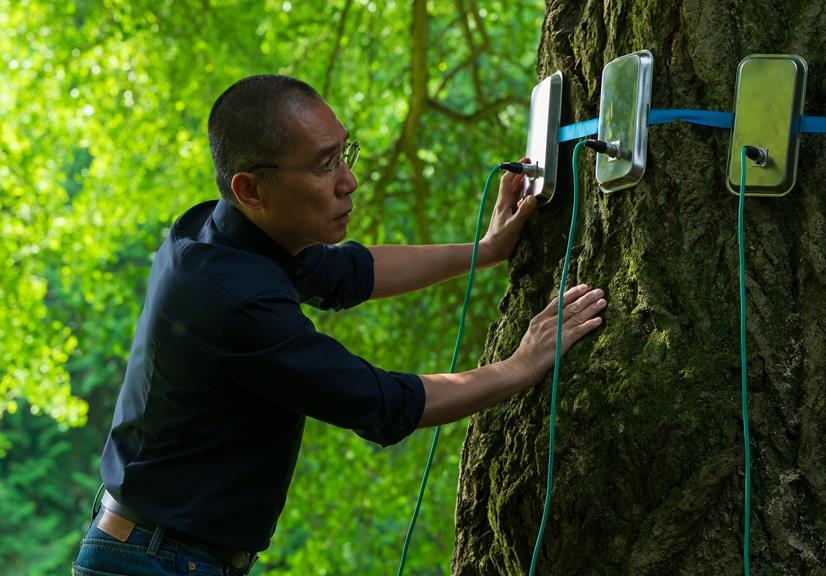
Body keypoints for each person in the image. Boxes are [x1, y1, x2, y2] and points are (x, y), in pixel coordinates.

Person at [72, 74, 606, 575]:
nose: (349, 181)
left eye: (344, 153)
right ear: (251, 189)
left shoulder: (226, 234)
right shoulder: (233, 302)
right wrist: (522, 366)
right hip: (156, 560)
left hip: (158, 550)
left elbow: (352, 271)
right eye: (325, 165)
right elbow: (381, 402)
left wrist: (485, 251)